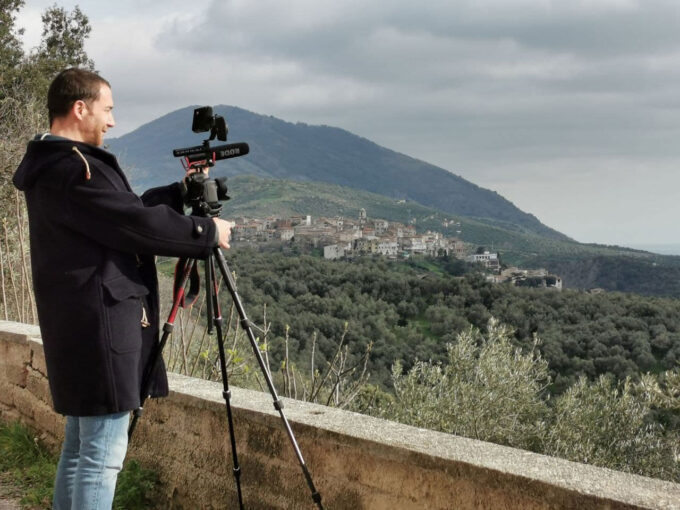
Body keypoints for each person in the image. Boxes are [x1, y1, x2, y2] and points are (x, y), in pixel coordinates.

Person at [12, 68, 233, 509]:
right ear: (80, 108)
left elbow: (118, 214)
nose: (111, 121)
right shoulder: (75, 169)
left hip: (78, 321)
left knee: (80, 449)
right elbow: (130, 222)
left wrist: (177, 192)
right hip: (101, 326)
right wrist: (206, 232)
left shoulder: (56, 167)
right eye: (107, 109)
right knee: (101, 457)